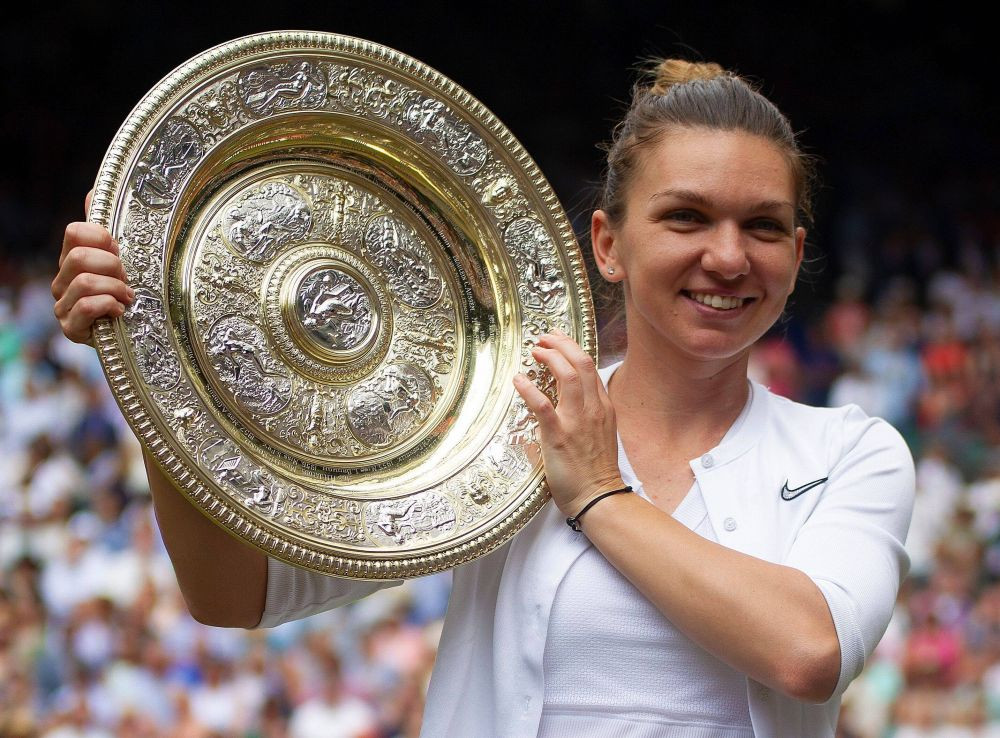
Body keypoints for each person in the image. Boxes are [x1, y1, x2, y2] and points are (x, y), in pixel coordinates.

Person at [52, 58, 914, 737]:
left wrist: (598, 494)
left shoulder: (849, 451)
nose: (728, 257)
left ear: (797, 257)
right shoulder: (492, 421)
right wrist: (149, 364)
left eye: (762, 227)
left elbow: (807, 652)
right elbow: (232, 596)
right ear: (608, 245)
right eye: (686, 218)